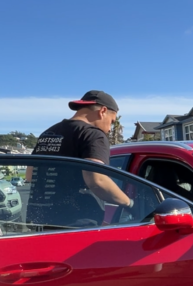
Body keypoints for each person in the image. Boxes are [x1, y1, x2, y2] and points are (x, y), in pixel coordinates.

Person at [26, 90, 134, 227]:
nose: (109, 129)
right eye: (112, 122)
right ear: (103, 111)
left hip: (38, 220)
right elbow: (97, 180)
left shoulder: (48, 133)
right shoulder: (93, 135)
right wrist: (129, 203)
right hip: (75, 223)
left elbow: (30, 175)